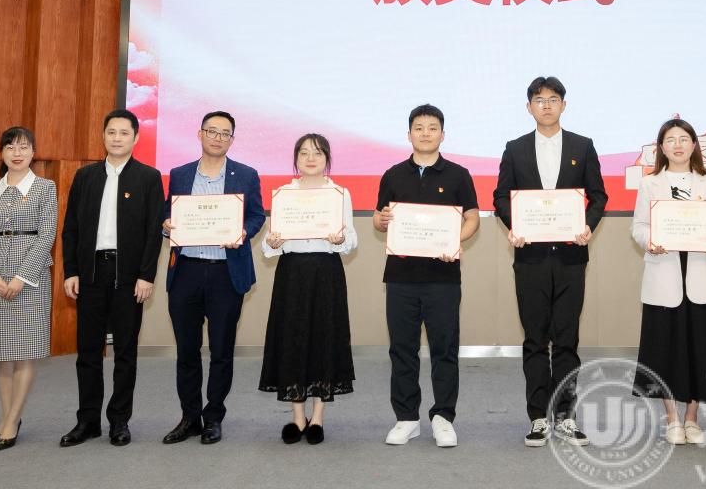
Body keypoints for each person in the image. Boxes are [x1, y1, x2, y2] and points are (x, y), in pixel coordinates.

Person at [492, 76, 608, 447]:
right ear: (529, 107)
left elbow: (599, 196)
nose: (546, 105)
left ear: (564, 105)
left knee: (567, 340)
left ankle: (566, 416)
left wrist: (588, 226)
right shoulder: (515, 149)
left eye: (553, 99)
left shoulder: (582, 146)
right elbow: (501, 198)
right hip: (530, 258)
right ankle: (538, 416)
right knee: (535, 339)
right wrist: (514, 226)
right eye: (539, 100)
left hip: (571, 257)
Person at [374, 104, 479, 448]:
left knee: (444, 349)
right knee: (402, 349)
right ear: (409, 134)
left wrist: (454, 241)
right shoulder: (392, 175)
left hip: (443, 278)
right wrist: (381, 221)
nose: (425, 133)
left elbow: (472, 218)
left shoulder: (459, 175)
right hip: (400, 277)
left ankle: (443, 417)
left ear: (442, 135)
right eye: (419, 128)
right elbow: (379, 218)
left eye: (432, 128)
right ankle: (406, 418)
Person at [59, 109, 164, 447]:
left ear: (136, 138)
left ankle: (119, 420)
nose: (117, 138)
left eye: (124, 133)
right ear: (103, 136)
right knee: (88, 351)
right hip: (90, 273)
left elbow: (153, 232)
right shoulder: (85, 176)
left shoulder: (148, 177)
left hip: (129, 276)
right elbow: (71, 228)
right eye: (111, 132)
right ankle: (87, 421)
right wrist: (71, 271)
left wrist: (146, 275)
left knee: (125, 353)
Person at [160, 111, 266, 446]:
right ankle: (189, 417)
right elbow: (168, 212)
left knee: (221, 350)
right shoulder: (180, 174)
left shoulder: (246, 175)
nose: (218, 138)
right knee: (187, 351)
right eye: (212, 131)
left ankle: (214, 417)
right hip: (186, 271)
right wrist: (166, 224)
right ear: (200, 134)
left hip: (225, 273)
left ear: (232, 139)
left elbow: (257, 216)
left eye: (225, 133)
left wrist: (243, 232)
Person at [630, 119, 706, 445]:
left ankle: (692, 418)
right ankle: (672, 419)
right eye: (671, 139)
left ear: (694, 145)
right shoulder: (650, 184)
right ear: (661, 147)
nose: (678, 145)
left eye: (684, 138)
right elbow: (638, 227)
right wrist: (651, 241)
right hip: (665, 275)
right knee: (665, 349)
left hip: (702, 274)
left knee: (701, 349)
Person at [260, 134, 357, 445]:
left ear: (327, 158)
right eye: (303, 153)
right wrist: (272, 242)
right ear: (296, 159)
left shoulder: (339, 194)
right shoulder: (284, 194)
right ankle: (297, 416)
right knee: (292, 338)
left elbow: (352, 240)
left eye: (317, 153)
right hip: (292, 273)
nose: (310, 158)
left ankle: (317, 417)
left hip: (326, 272)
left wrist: (340, 239)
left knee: (323, 338)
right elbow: (268, 246)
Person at [0, 126, 57, 450]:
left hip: (30, 279)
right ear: (2, 153)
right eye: (10, 147)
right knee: (2, 354)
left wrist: (22, 277)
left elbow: (47, 235)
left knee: (24, 352)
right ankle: (7, 419)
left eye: (23, 147)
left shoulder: (45, 187)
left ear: (33, 152)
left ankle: (12, 420)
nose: (16, 153)